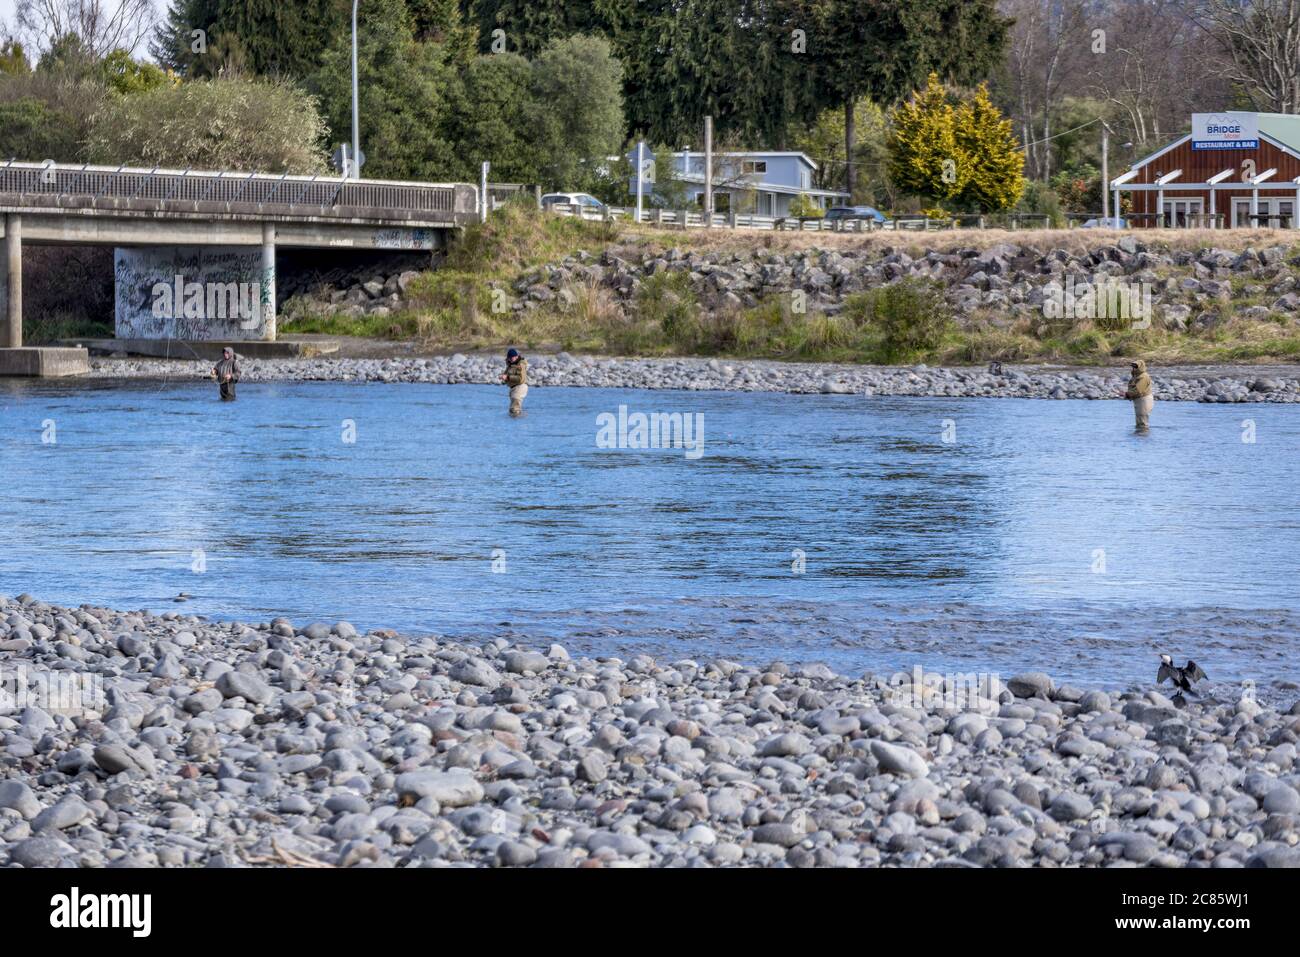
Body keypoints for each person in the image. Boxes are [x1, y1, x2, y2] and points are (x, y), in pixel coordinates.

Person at [1124, 358, 1153, 432]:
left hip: (1144, 400)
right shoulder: (1136, 376)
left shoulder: (1144, 376)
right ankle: (1139, 435)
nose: (1134, 368)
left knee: (1142, 421)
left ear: (1141, 367)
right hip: (1139, 400)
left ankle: (1142, 436)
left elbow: (1138, 389)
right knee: (1139, 419)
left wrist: (1127, 394)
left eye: (1136, 366)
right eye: (1133, 366)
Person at [500, 347, 528, 416]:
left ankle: (517, 424)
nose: (511, 359)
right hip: (513, 389)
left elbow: (520, 379)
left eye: (513, 357)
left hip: (520, 387)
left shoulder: (520, 365)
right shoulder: (510, 365)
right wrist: (504, 378)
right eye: (510, 357)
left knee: (514, 409)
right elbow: (507, 376)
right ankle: (517, 422)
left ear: (517, 356)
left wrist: (508, 377)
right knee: (512, 410)